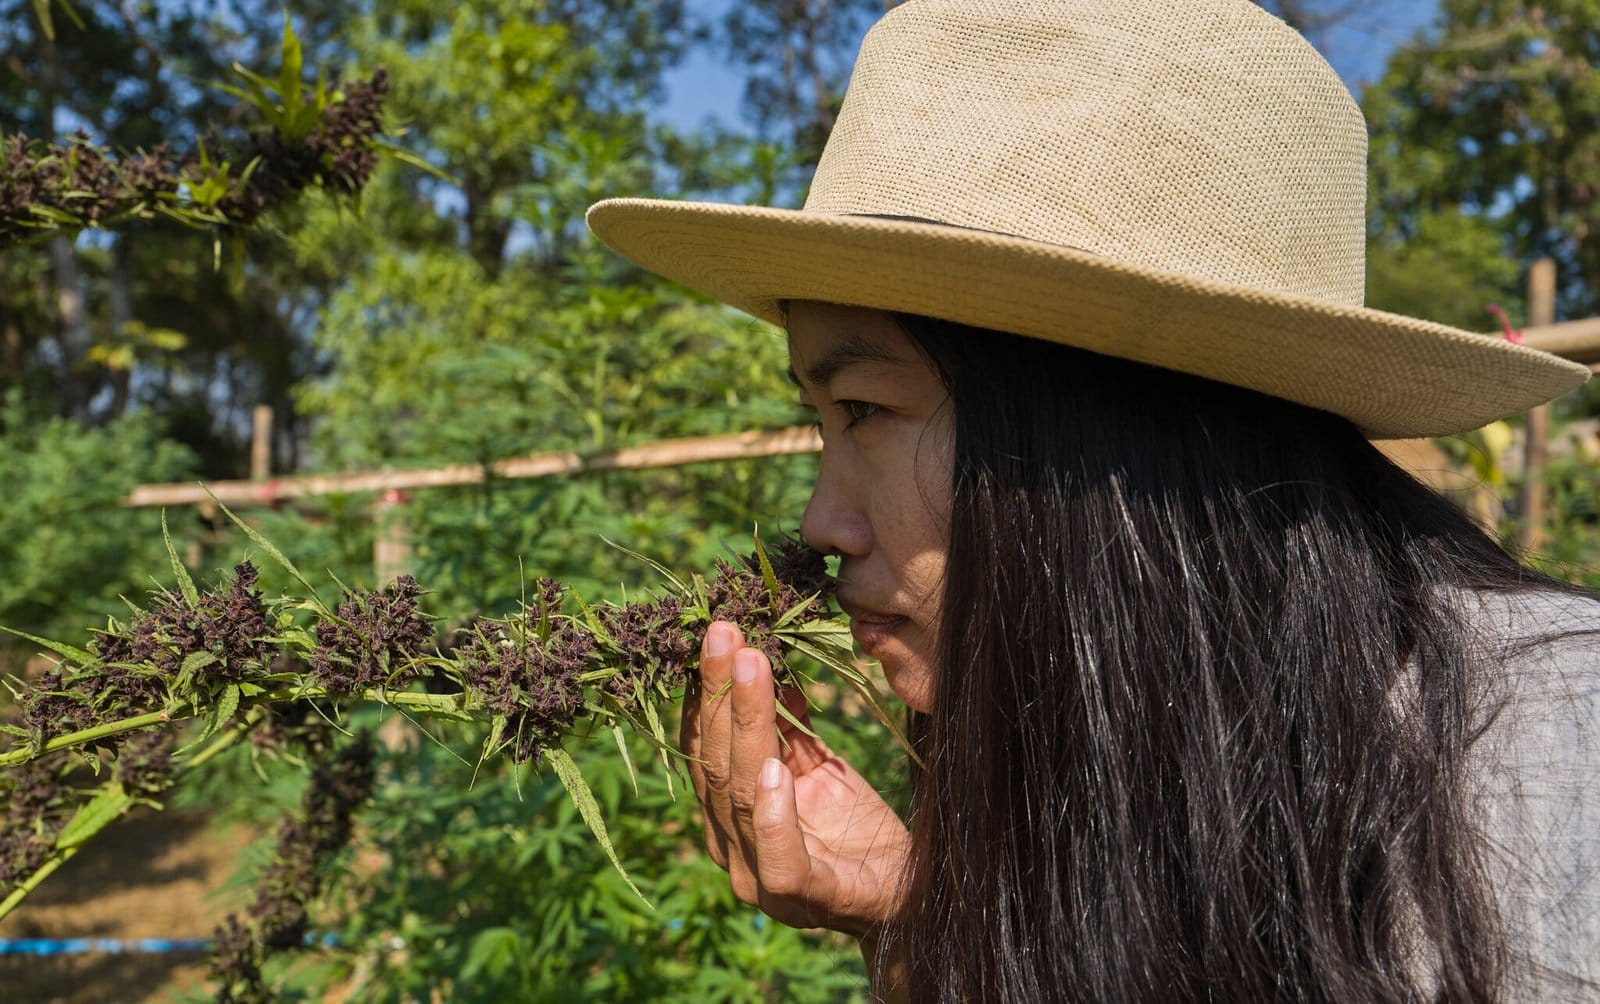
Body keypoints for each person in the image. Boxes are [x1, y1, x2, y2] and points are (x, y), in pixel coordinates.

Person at [586, 0, 1600, 1000]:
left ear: (1102, 438)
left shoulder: (1552, 763)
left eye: (865, 407)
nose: (819, 522)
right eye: (822, 420)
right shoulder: (1090, 722)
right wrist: (910, 924)